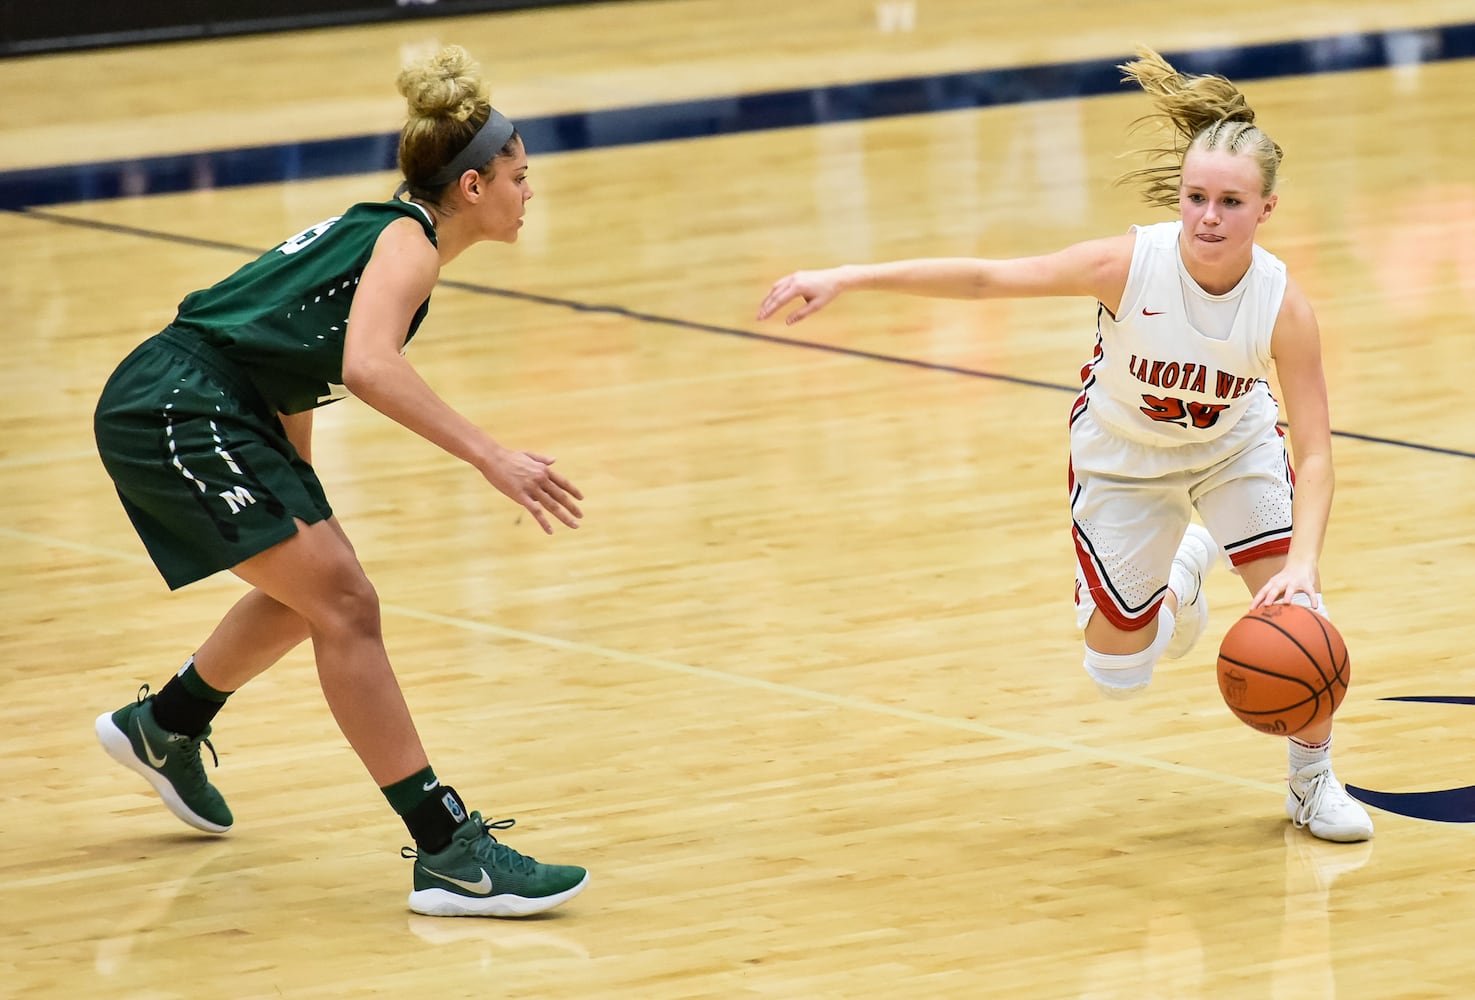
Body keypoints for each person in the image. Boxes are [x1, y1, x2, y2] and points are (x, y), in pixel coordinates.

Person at [756, 47, 1373, 843]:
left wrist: (1302, 565)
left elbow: (1315, 452)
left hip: (1231, 449)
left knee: (1300, 619)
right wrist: (848, 274)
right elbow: (988, 279)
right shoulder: (1126, 264)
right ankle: (1182, 581)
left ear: (1266, 209)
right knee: (1116, 673)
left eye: (1229, 201)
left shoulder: (1283, 306)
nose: (1207, 217)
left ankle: (1311, 780)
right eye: (1194, 197)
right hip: (1123, 457)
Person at [93, 45, 592, 916]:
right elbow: (365, 366)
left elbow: (290, 360)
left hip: (211, 400)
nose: (529, 191)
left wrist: (303, 494)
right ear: (472, 188)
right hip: (176, 403)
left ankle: (165, 726)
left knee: (319, 592)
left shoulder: (381, 227)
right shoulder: (410, 244)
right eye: (518, 174)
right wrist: (490, 455)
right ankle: (448, 850)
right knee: (348, 604)